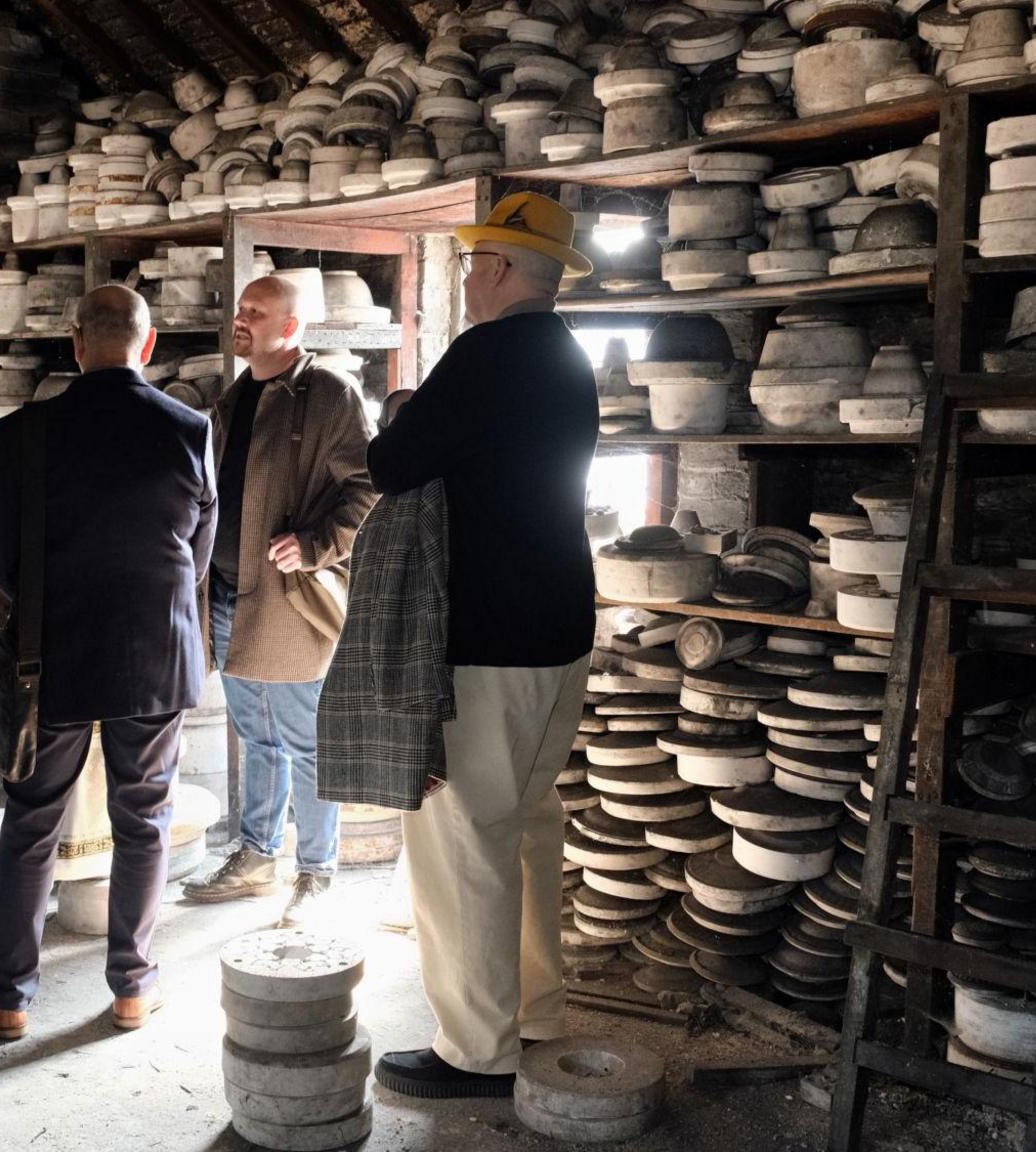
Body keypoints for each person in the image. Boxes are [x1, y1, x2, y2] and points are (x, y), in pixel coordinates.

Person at [365, 192, 599, 1099]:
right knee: (528, 823)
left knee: (462, 837)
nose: (467, 278)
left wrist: (407, 410)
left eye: (472, 263)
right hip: (558, 627)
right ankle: (536, 1011)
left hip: (489, 636)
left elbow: (393, 467)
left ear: (500, 270)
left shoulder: (486, 352)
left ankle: (476, 1050)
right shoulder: (568, 357)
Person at [0, 285, 217, 1041]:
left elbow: (0, 553)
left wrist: (47, 603)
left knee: (34, 818)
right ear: (146, 346)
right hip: (157, 650)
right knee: (144, 819)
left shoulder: (25, 432)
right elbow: (197, 555)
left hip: (54, 651)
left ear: (76, 343)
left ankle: (9, 998)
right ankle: (132, 991)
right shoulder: (190, 428)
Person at [182, 275, 377, 927]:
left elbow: (371, 489)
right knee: (256, 738)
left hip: (290, 598)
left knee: (306, 740)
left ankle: (318, 870)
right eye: (240, 308)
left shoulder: (328, 395)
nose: (241, 319)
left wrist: (318, 543)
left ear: (291, 329)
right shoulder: (233, 398)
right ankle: (258, 856)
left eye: (257, 312)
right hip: (230, 595)